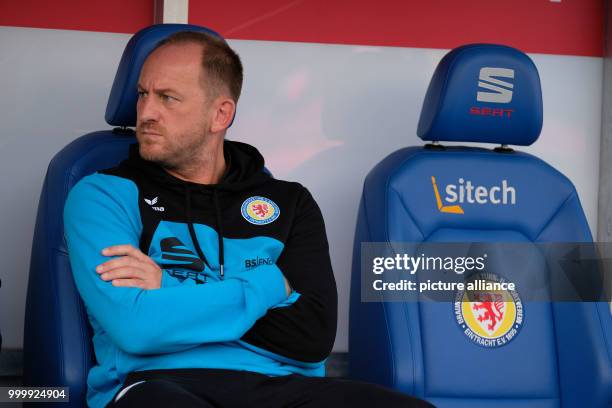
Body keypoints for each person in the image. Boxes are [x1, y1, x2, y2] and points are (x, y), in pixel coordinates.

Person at [64, 31, 432, 408]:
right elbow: (136, 327)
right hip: (159, 385)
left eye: (168, 98)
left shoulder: (290, 203)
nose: (146, 113)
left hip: (280, 387)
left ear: (220, 114)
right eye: (143, 94)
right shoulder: (102, 194)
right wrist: (270, 284)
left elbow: (311, 339)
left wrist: (167, 289)